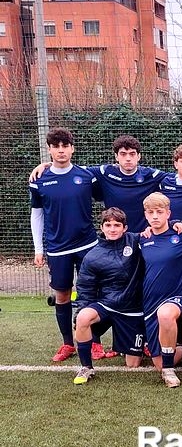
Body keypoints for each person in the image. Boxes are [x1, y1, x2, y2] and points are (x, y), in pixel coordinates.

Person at [30, 135, 182, 232]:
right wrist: (48, 165)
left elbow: (181, 174)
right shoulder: (104, 172)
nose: (128, 158)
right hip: (116, 234)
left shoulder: (151, 175)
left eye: (132, 154)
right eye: (123, 154)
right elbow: (71, 169)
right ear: (116, 156)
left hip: (145, 235)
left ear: (139, 156)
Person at [29, 127, 102, 362]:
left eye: (65, 146)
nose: (61, 150)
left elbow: (106, 195)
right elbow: (37, 215)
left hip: (87, 245)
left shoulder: (87, 176)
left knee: (91, 294)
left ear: (72, 148)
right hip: (57, 248)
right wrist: (39, 249)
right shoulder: (39, 180)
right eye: (56, 146)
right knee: (62, 294)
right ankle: (68, 344)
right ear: (49, 150)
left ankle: (95, 343)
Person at [139, 192, 182, 388]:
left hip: (178, 296)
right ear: (145, 215)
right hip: (150, 300)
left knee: (166, 314)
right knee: (158, 364)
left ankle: (169, 372)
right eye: (151, 212)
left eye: (159, 212)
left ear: (168, 213)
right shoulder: (142, 238)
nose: (155, 216)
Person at [72, 208, 146, 384]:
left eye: (117, 225)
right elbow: (85, 289)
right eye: (108, 225)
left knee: (133, 364)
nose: (112, 229)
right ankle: (86, 367)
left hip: (132, 309)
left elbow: (160, 231)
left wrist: (176, 224)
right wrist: (79, 314)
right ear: (102, 227)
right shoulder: (92, 256)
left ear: (125, 228)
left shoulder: (137, 241)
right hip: (107, 304)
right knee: (83, 318)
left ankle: (136, 344)